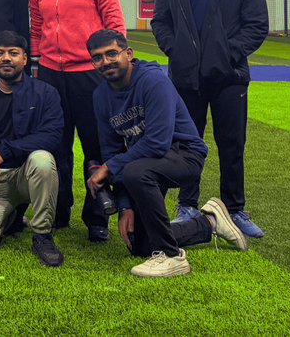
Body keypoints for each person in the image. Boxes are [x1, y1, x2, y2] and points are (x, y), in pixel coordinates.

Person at [85, 29, 248, 277]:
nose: (105, 61)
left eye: (112, 54)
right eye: (97, 57)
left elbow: (157, 143)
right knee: (140, 244)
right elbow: (112, 151)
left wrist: (108, 168)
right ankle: (210, 222)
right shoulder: (100, 96)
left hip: (185, 155)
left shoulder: (153, 81)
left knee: (134, 171)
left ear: (128, 53)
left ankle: (172, 256)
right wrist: (125, 206)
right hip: (144, 164)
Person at [151, 0, 269, 238]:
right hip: (186, 78)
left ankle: (234, 209)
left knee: (232, 144)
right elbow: (160, 22)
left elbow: (257, 24)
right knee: (187, 145)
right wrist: (177, 51)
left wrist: (227, 54)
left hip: (229, 77)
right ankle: (186, 204)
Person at [28, 0, 126, 240]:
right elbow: (36, 28)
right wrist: (35, 68)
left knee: (95, 146)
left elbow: (114, 21)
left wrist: (111, 62)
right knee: (56, 147)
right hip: (50, 76)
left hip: (89, 74)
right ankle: (58, 213)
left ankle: (97, 218)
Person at [0, 32, 65, 266]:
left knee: (42, 159)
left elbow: (52, 135)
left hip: (27, 177)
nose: (6, 58)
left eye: (13, 53)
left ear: (25, 59)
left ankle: (42, 235)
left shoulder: (46, 93)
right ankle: (12, 215)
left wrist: (5, 150)